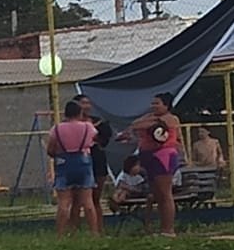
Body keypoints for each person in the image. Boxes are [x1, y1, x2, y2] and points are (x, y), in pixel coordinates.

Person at [119, 92, 182, 237]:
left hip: (163, 156)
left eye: (157, 103)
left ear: (166, 105)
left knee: (165, 193)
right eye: (153, 103)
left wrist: (141, 123)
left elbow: (147, 125)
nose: (153, 106)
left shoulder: (170, 119)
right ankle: (162, 227)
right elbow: (135, 124)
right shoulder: (150, 116)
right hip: (148, 156)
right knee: (157, 194)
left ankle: (169, 229)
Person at [45, 100, 100, 236]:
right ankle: (94, 232)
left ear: (66, 113)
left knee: (64, 202)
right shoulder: (88, 127)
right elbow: (95, 140)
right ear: (80, 113)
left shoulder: (56, 128)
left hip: (63, 163)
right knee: (88, 201)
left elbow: (51, 149)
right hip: (83, 162)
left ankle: (60, 234)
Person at [73, 93, 112, 228]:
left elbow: (104, 140)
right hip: (79, 161)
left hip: (97, 160)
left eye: (88, 103)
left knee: (95, 198)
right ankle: (72, 232)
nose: (87, 106)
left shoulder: (98, 122)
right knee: (76, 199)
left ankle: (98, 230)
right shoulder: (70, 124)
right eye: (83, 103)